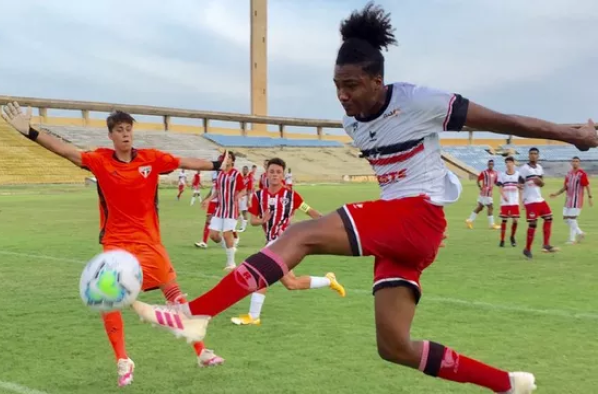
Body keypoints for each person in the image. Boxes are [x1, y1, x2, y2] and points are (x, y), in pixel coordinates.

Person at [132, 3, 598, 393]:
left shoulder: (419, 100)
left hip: (417, 217)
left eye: (351, 85)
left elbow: (502, 121)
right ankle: (506, 384)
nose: (342, 95)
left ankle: (197, 315)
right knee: (394, 346)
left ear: (378, 80)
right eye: (337, 85)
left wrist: (569, 133)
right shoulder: (351, 121)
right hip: (402, 234)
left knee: (302, 235)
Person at [0, 103, 225, 387]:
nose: (126, 134)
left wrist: (217, 165)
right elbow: (65, 151)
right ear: (111, 135)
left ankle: (202, 352)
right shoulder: (100, 160)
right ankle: (123, 360)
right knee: (108, 300)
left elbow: (184, 162)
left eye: (129, 129)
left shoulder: (151, 159)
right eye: (119, 130)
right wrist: (30, 132)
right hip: (116, 245)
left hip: (149, 243)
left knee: (176, 298)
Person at [231, 158, 345, 326]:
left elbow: (309, 211)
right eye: (272, 172)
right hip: (271, 242)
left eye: (278, 172)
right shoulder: (258, 196)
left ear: (283, 174)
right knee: (292, 283)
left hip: (285, 243)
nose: (275, 175)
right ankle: (329, 280)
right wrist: (263, 219)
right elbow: (254, 220)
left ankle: (253, 316)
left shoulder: (291, 196)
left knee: (260, 273)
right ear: (267, 174)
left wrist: (328, 222)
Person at [203, 151, 245, 269]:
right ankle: (230, 248)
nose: (226, 160)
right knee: (213, 236)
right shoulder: (220, 174)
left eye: (228, 158)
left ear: (232, 160)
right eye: (224, 158)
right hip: (220, 209)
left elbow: (244, 189)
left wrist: (239, 195)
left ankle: (231, 263)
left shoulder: (236, 174)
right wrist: (208, 199)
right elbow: (217, 190)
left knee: (227, 235)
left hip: (231, 209)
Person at [518, 148, 558, 258]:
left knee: (549, 218)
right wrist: (521, 201)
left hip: (539, 198)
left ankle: (546, 244)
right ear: (528, 155)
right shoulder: (524, 169)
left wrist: (539, 181)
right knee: (533, 224)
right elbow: (520, 184)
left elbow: (542, 184)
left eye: (535, 154)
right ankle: (527, 249)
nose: (533, 155)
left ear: (538, 156)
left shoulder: (540, 168)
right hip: (530, 200)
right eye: (531, 153)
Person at [550, 156, 593, 243]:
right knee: (567, 219)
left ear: (579, 163)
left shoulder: (581, 174)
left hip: (577, 200)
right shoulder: (568, 174)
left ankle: (574, 237)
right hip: (568, 199)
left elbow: (587, 185)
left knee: (571, 219)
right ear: (571, 162)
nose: (575, 163)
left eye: (577, 161)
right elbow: (565, 187)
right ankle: (577, 235)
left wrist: (590, 197)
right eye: (573, 161)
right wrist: (556, 193)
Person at [496, 157, 523, 247]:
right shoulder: (502, 175)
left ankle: (512, 236)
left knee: (515, 220)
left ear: (513, 163)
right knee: (504, 220)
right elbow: (500, 188)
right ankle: (502, 240)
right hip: (505, 202)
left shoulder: (518, 175)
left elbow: (520, 188)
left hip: (514, 201)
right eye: (507, 162)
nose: (508, 164)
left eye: (510, 162)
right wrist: (504, 196)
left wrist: (521, 201)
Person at [466, 160, 500, 230]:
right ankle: (492, 224)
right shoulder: (484, 173)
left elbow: (496, 182)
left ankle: (469, 220)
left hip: (488, 193)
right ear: (487, 165)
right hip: (485, 193)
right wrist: (480, 187)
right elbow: (478, 180)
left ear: (493, 165)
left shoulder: (495, 173)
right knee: (490, 207)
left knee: (480, 207)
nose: (490, 165)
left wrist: (501, 184)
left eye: (492, 164)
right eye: (489, 164)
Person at [195, 169, 220, 249]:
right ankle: (204, 242)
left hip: (217, 203)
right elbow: (212, 190)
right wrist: (205, 199)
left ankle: (231, 240)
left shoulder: (223, 177)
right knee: (208, 221)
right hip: (212, 202)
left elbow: (219, 192)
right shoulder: (216, 176)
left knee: (214, 222)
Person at [238, 165, 251, 232]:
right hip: (239, 196)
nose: (244, 171)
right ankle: (244, 221)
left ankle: (243, 227)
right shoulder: (240, 177)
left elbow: (249, 190)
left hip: (245, 197)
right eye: (243, 169)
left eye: (246, 170)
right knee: (236, 211)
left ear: (247, 171)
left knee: (244, 212)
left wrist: (248, 199)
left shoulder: (249, 179)